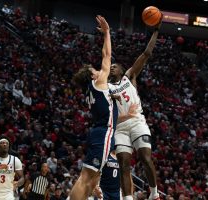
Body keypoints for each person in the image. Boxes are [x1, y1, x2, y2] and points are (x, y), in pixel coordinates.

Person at [109, 20, 162, 200]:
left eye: (114, 66)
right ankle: (128, 198)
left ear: (122, 69)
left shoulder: (129, 77)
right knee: (123, 164)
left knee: (145, 158)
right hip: (120, 127)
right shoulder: (106, 87)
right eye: (110, 66)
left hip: (137, 121)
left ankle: (154, 194)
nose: (112, 68)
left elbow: (146, 53)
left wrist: (155, 32)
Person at [69, 15, 118, 200]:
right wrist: (106, 32)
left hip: (100, 132)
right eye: (95, 71)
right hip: (104, 131)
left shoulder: (92, 90)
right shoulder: (98, 82)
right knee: (86, 178)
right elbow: (107, 56)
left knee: (93, 177)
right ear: (92, 77)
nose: (99, 71)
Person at [0, 135, 25, 200]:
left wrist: (17, 183)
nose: (5, 144)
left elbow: (22, 178)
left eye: (6, 143)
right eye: (2, 143)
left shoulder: (15, 160)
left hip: (8, 194)